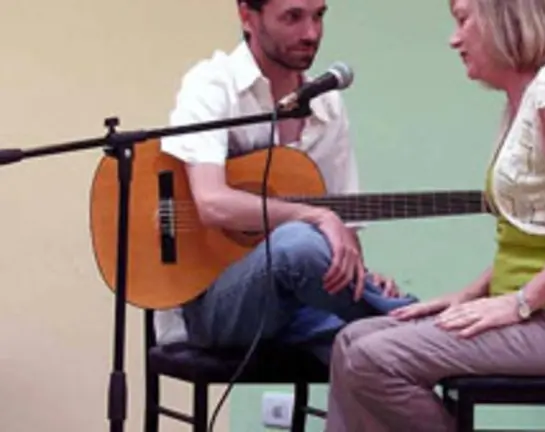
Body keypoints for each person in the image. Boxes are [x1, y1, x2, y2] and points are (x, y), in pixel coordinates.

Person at [325, 0, 545, 430]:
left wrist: (519, 302)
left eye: (463, 19)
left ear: (505, 17)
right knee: (351, 340)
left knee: (373, 359)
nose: (454, 39)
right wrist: (472, 293)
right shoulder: (529, 97)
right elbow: (540, 235)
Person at [154, 0, 416, 364]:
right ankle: (416, 322)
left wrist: (362, 276)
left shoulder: (327, 104)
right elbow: (211, 202)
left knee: (378, 355)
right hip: (212, 307)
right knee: (296, 242)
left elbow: (343, 229)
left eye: (319, 16)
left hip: (301, 307)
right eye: (293, 17)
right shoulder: (214, 84)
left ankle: (419, 331)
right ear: (247, 16)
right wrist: (313, 216)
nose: (311, 33)